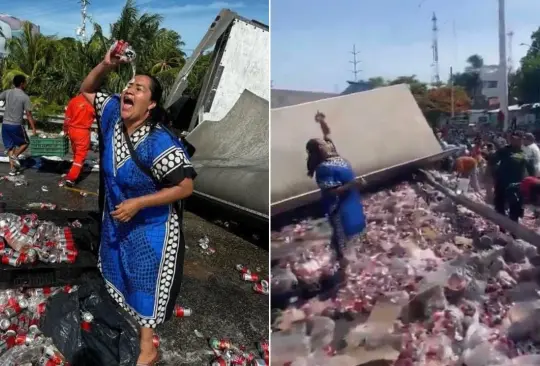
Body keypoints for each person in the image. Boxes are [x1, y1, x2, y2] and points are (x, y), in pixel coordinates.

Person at [80, 43, 196, 365]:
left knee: (144, 280)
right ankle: (128, 326)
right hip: (119, 217)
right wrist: (106, 64)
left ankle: (148, 347)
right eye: (130, 84)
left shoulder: (159, 141)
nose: (130, 89)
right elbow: (87, 90)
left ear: (151, 104)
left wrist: (139, 203)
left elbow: (186, 186)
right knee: (120, 271)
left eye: (140, 88)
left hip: (151, 226)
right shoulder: (114, 112)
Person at [306, 111, 366, 276]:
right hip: (338, 207)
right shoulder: (323, 169)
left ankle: (350, 258)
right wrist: (352, 184)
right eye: (324, 143)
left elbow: (327, 133)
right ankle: (343, 270)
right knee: (342, 236)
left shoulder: (334, 155)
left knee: (353, 230)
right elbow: (332, 191)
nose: (328, 143)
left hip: (350, 201)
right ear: (320, 149)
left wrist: (321, 121)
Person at [489, 131, 535, 223]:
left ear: (522, 140)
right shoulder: (504, 150)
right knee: (499, 208)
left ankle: (514, 232)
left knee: (515, 210)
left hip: (517, 185)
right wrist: (494, 176)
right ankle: (501, 229)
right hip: (502, 183)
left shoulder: (526, 153)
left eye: (518, 139)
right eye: (513, 139)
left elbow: (531, 170)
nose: (515, 141)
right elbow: (492, 162)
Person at [0, 75, 37, 176]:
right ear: (21, 84)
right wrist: (33, 128)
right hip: (16, 125)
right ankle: (15, 156)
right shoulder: (25, 97)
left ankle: (12, 170)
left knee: (10, 148)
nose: (26, 83)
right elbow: (28, 115)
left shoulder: (7, 92)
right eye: (25, 82)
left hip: (5, 125)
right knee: (25, 143)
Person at [62, 94, 95, 186]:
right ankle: (71, 178)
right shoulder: (91, 102)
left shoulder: (73, 100)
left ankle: (76, 170)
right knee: (80, 156)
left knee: (76, 153)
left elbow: (67, 118)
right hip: (82, 131)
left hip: (72, 130)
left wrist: (65, 130)